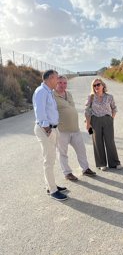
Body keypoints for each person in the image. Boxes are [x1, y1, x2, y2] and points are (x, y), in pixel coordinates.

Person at [33, 70, 68, 201]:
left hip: (52, 129)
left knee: (51, 160)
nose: (58, 81)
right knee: (49, 160)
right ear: (50, 78)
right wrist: (48, 130)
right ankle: (52, 191)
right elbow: (40, 112)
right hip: (46, 130)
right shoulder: (41, 91)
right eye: (56, 78)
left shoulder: (48, 91)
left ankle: (50, 185)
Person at [54, 75, 96, 181]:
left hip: (75, 128)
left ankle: (85, 169)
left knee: (81, 150)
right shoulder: (51, 95)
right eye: (60, 83)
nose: (63, 85)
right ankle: (67, 173)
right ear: (55, 83)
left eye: (65, 83)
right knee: (63, 153)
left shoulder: (68, 94)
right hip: (62, 130)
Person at [84, 78, 122, 171]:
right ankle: (101, 164)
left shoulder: (109, 97)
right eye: (94, 85)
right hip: (95, 120)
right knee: (98, 142)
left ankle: (114, 163)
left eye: (98, 84)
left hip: (107, 119)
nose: (96, 86)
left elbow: (114, 108)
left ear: (103, 85)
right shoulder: (91, 97)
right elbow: (87, 111)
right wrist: (88, 124)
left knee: (110, 142)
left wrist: (111, 119)